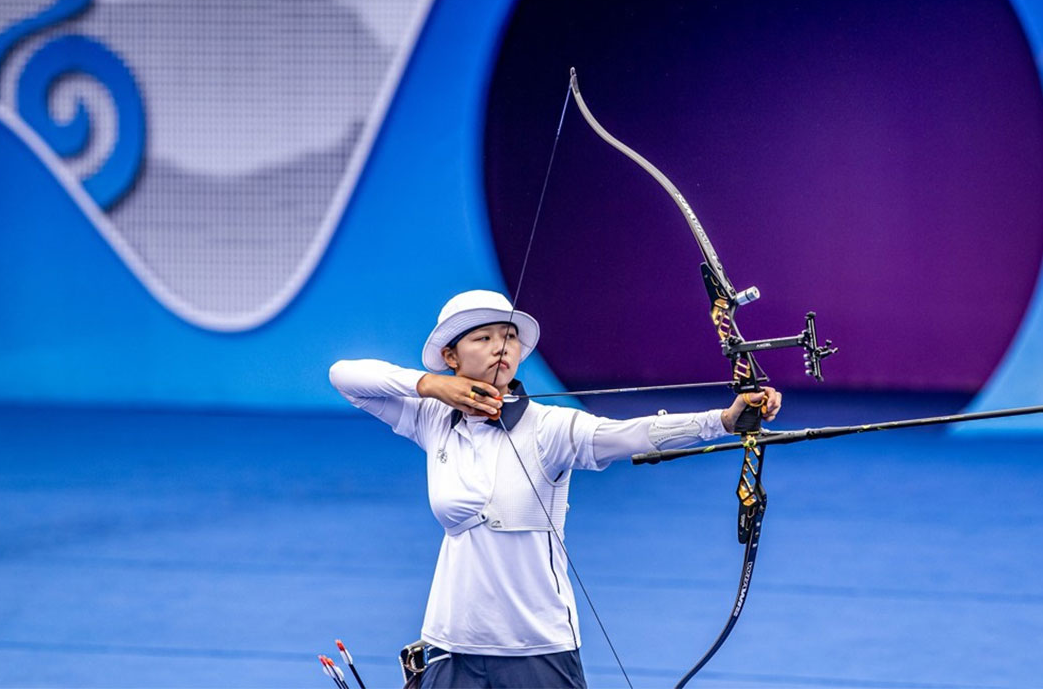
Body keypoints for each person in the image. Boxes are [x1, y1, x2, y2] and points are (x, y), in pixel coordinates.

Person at [328, 289, 781, 689]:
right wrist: (429, 386)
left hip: (537, 646)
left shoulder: (550, 427)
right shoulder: (432, 418)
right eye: (482, 338)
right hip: (452, 643)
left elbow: (629, 435)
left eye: (509, 337)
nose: (500, 347)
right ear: (451, 356)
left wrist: (721, 421)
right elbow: (344, 376)